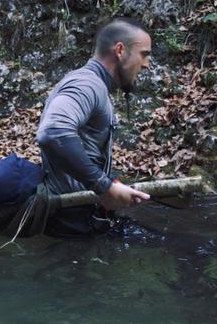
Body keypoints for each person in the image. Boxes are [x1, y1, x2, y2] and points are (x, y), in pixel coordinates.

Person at [35, 18, 152, 237]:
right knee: (194, 248)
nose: (147, 64)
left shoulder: (94, 85)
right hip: (72, 219)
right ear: (120, 50)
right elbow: (53, 133)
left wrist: (111, 181)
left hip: (82, 216)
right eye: (144, 54)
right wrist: (104, 186)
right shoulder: (87, 84)